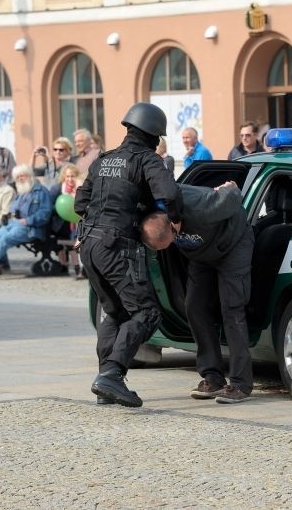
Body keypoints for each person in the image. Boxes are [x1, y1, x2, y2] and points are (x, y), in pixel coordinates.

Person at [74, 102, 183, 408]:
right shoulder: (146, 160)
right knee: (147, 313)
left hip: (90, 246)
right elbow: (170, 195)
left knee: (114, 311)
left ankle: (104, 383)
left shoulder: (103, 159)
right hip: (118, 246)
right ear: (152, 135)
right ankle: (112, 374)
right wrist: (172, 217)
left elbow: (80, 205)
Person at [140, 181, 254, 404]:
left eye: (170, 242)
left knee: (231, 308)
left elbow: (232, 197)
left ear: (175, 226)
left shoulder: (200, 206)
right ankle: (212, 377)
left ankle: (241, 384)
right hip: (201, 255)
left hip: (233, 244)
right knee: (194, 306)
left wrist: (228, 188)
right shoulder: (155, 212)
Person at [0, 164, 52, 280]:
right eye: (17, 177)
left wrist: (27, 220)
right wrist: (9, 215)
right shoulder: (22, 192)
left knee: (5, 239)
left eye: (22, 176)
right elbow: (13, 209)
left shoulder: (41, 192)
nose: (20, 179)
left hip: (30, 228)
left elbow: (45, 214)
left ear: (30, 175)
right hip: (13, 224)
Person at [50, 163, 82, 278]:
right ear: (63, 176)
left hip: (76, 222)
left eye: (72, 176)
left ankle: (78, 269)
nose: (70, 179)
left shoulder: (80, 188)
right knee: (65, 242)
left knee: (74, 242)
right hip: (60, 222)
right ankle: (64, 265)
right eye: (67, 176)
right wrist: (60, 209)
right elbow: (51, 206)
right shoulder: (57, 188)